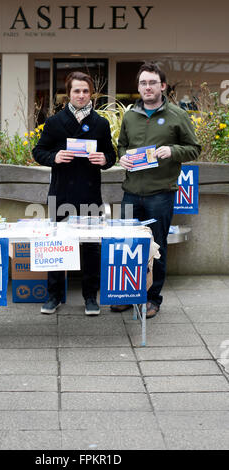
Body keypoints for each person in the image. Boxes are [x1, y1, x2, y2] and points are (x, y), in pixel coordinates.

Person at [111, 62, 201, 318]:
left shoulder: (177, 115)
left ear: (162, 86)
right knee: (125, 245)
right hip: (131, 191)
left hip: (160, 193)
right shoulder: (129, 116)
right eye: (143, 83)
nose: (147, 87)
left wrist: (173, 151)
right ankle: (126, 295)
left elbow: (194, 148)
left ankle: (153, 299)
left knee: (156, 247)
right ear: (138, 87)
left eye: (152, 82)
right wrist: (122, 158)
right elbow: (122, 146)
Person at [33, 71, 116, 316]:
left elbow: (111, 156)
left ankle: (91, 296)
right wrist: (54, 157)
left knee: (91, 247)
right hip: (62, 193)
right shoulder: (55, 122)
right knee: (58, 244)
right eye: (76, 90)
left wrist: (105, 159)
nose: (81, 95)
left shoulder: (100, 123)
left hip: (90, 194)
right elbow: (39, 152)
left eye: (85, 91)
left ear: (92, 94)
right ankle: (54, 295)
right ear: (68, 93)